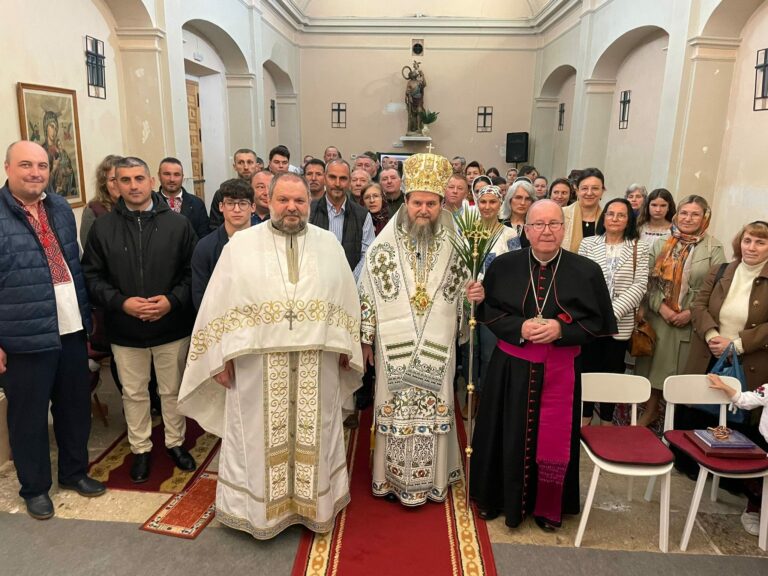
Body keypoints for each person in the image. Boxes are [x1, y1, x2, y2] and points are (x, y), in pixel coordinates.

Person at [177, 172, 363, 540]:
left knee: (317, 432)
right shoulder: (241, 246)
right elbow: (218, 304)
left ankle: (315, 505)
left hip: (317, 362)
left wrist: (348, 348)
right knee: (257, 437)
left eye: (299, 201)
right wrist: (218, 358)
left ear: (308, 203)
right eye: (283, 200)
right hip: (256, 367)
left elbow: (345, 299)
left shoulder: (328, 245)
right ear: (269, 201)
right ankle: (257, 512)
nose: (291, 208)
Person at [471, 199, 616, 531]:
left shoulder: (586, 270)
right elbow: (488, 311)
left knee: (551, 438)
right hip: (511, 367)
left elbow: (599, 323)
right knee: (502, 432)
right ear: (525, 229)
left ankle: (548, 506)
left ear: (564, 229)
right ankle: (494, 499)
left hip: (560, 370)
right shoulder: (504, 265)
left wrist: (562, 330)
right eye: (538, 225)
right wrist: (518, 327)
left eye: (554, 224)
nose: (546, 231)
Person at [358, 151, 484, 506]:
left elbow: (465, 299)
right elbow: (366, 292)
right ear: (406, 202)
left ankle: (432, 481)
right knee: (393, 409)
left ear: (442, 203)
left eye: (431, 203)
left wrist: (474, 295)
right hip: (393, 348)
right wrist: (366, 339)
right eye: (417, 203)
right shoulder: (382, 247)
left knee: (434, 408)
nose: (424, 210)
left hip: (437, 346)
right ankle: (390, 479)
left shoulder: (458, 247)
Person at [0, 140, 105, 520]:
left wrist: (85, 311)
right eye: (26, 165)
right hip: (23, 336)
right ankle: (34, 488)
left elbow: (72, 263)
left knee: (74, 407)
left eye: (42, 166)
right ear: (8, 167)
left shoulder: (60, 207)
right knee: (28, 418)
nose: (35, 173)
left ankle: (74, 473)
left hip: (71, 326)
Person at [82, 156, 198, 483]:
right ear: (116, 185)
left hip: (170, 326)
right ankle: (141, 449)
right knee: (133, 393)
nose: (133, 186)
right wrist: (122, 303)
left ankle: (175, 443)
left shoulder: (178, 225)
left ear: (150, 181)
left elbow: (193, 273)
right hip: (126, 328)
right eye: (126, 180)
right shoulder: (103, 227)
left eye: (138, 178)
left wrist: (172, 301)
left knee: (172, 390)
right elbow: (91, 276)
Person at [635, 195, 726, 427]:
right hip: (660, 317)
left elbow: (715, 288)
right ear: (676, 215)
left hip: (691, 319)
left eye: (695, 214)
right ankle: (652, 410)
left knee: (681, 372)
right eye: (684, 213)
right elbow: (648, 280)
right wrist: (660, 307)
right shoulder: (661, 244)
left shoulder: (714, 247)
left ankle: (676, 421)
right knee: (655, 368)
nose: (688, 218)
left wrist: (689, 312)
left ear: (704, 217)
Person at [578, 198, 649, 425]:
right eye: (610, 214)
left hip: (620, 323)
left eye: (621, 215)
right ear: (604, 217)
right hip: (590, 321)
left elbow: (639, 285)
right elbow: (581, 281)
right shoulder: (588, 244)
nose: (615, 219)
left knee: (612, 372)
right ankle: (585, 416)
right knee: (588, 370)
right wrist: (596, 312)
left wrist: (611, 313)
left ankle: (607, 420)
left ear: (629, 220)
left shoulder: (639, 246)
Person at [460, 184, 520, 419]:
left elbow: (515, 270)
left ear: (500, 205)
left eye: (492, 202)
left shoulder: (510, 235)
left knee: (488, 352)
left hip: (495, 303)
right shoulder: (467, 232)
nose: (487, 207)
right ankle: (469, 396)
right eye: (483, 202)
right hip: (468, 299)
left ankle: (485, 395)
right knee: (468, 350)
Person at [708, 373, 768, 537]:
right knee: (758, 481)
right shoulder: (767, 390)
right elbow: (744, 400)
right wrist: (724, 386)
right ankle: (752, 510)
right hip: (765, 446)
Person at [191, 178, 254, 310]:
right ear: (221, 207)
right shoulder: (205, 247)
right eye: (230, 203)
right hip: (220, 321)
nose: (236, 209)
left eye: (243, 203)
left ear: (252, 207)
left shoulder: (264, 242)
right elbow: (200, 296)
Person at [310, 159, 374, 283]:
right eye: (332, 177)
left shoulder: (363, 215)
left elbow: (367, 255)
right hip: (315, 286)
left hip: (351, 286)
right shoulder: (309, 212)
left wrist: (350, 282)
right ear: (324, 178)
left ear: (349, 181)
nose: (337, 183)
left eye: (343, 178)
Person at [157, 157, 209, 240]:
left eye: (177, 174)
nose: (172, 179)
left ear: (182, 177)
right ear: (159, 175)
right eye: (167, 174)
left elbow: (204, 237)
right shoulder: (150, 203)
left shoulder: (197, 203)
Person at [209, 148, 259, 230]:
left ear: (256, 166)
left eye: (250, 162)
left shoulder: (263, 192)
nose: (246, 167)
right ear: (234, 166)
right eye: (240, 163)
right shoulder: (222, 193)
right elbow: (215, 225)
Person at [80, 154, 122, 248]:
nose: (118, 183)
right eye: (113, 179)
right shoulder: (92, 211)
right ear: (104, 183)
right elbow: (89, 251)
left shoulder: (135, 206)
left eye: (123, 179)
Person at [562, 167, 605, 252]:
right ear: (577, 191)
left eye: (595, 188)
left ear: (602, 191)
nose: (589, 193)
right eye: (584, 188)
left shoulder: (608, 219)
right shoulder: (561, 214)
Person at [503, 178, 536, 249]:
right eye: (518, 197)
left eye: (527, 199)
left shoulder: (535, 226)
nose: (522, 203)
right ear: (510, 199)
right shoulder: (500, 224)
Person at [403, 61, 427, 135]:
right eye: (412, 73)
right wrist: (407, 97)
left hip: (419, 100)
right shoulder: (409, 82)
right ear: (410, 75)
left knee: (419, 111)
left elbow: (424, 84)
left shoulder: (419, 81)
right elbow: (407, 91)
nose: (414, 73)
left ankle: (419, 128)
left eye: (415, 73)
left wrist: (423, 75)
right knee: (413, 115)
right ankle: (413, 128)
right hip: (412, 100)